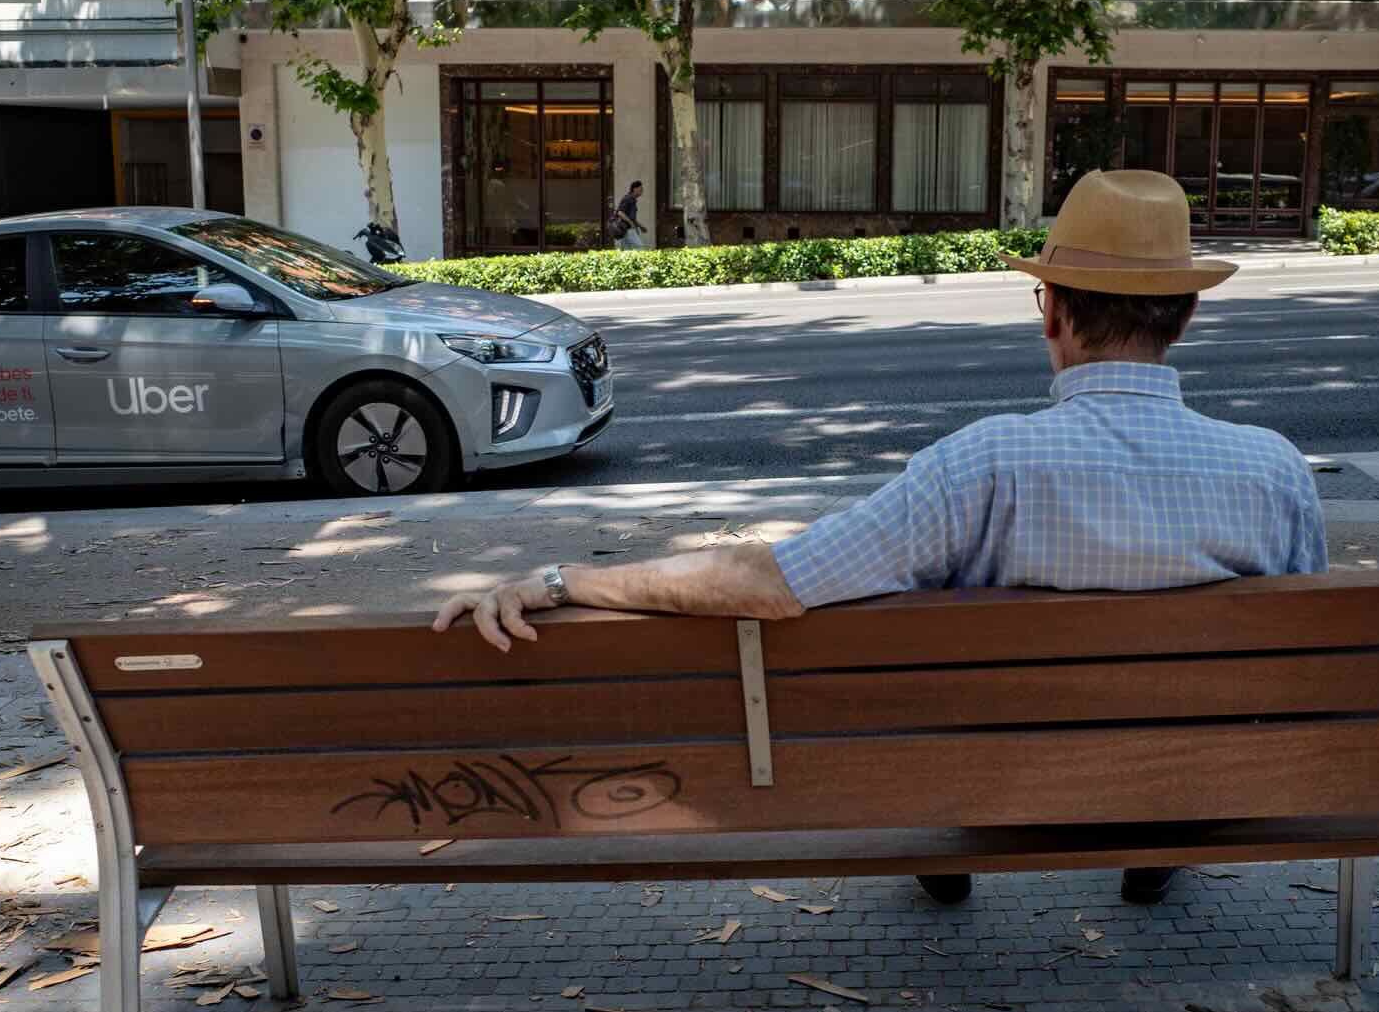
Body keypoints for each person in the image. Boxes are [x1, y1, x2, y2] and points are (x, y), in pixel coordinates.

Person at [432, 170, 1327, 905]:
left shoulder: (981, 464)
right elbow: (1298, 655)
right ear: (1185, 315)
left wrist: (565, 581)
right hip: (1196, 775)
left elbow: (773, 582)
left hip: (993, 778)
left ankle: (953, 834)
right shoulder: (1275, 469)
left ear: (1048, 310)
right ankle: (1150, 822)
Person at [612, 180, 648, 249]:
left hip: (626, 229)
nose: (642, 191)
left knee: (626, 250)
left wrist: (640, 226)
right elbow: (620, 212)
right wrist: (630, 222)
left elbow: (631, 217)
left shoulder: (632, 200)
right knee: (639, 247)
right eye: (641, 189)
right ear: (635, 189)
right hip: (627, 229)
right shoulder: (628, 198)